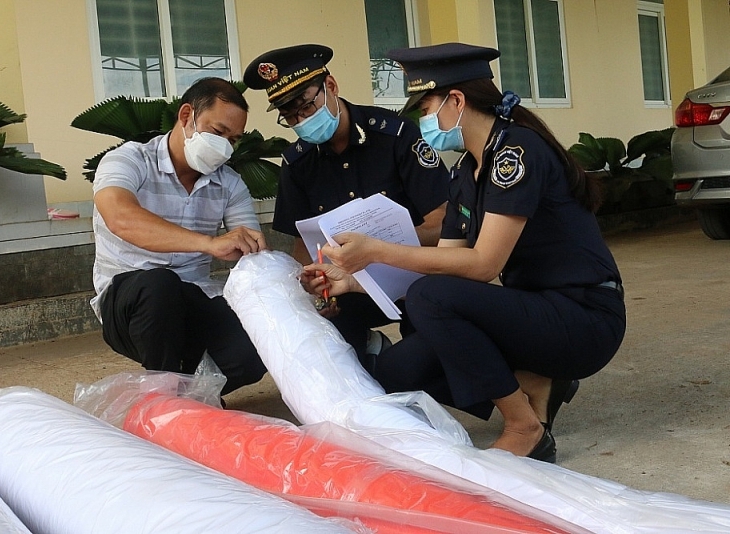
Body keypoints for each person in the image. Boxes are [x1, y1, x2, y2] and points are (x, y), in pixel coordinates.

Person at [304, 43, 626, 463]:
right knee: (398, 372)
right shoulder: (465, 171)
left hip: (584, 316)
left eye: (424, 108)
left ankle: (525, 427)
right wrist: (354, 281)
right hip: (535, 311)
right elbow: (447, 262)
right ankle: (534, 382)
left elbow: (482, 264)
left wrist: (377, 251)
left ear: (456, 101)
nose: (421, 121)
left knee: (429, 298)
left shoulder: (515, 153)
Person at [243, 44, 450, 364]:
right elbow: (303, 245)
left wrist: (376, 247)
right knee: (334, 358)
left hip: (414, 278)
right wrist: (315, 288)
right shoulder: (297, 162)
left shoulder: (395, 135)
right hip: (347, 287)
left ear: (331, 87)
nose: (301, 121)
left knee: (421, 362)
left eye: (307, 107)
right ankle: (371, 349)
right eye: (290, 116)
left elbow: (442, 222)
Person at [90, 77, 268, 395]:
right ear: (186, 116)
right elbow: (119, 217)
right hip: (130, 304)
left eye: (234, 139)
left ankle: (183, 397)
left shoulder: (230, 184)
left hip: (192, 300)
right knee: (159, 285)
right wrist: (209, 244)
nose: (225, 147)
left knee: (256, 344)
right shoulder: (129, 161)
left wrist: (260, 262)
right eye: (218, 132)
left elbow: (250, 244)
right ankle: (168, 400)